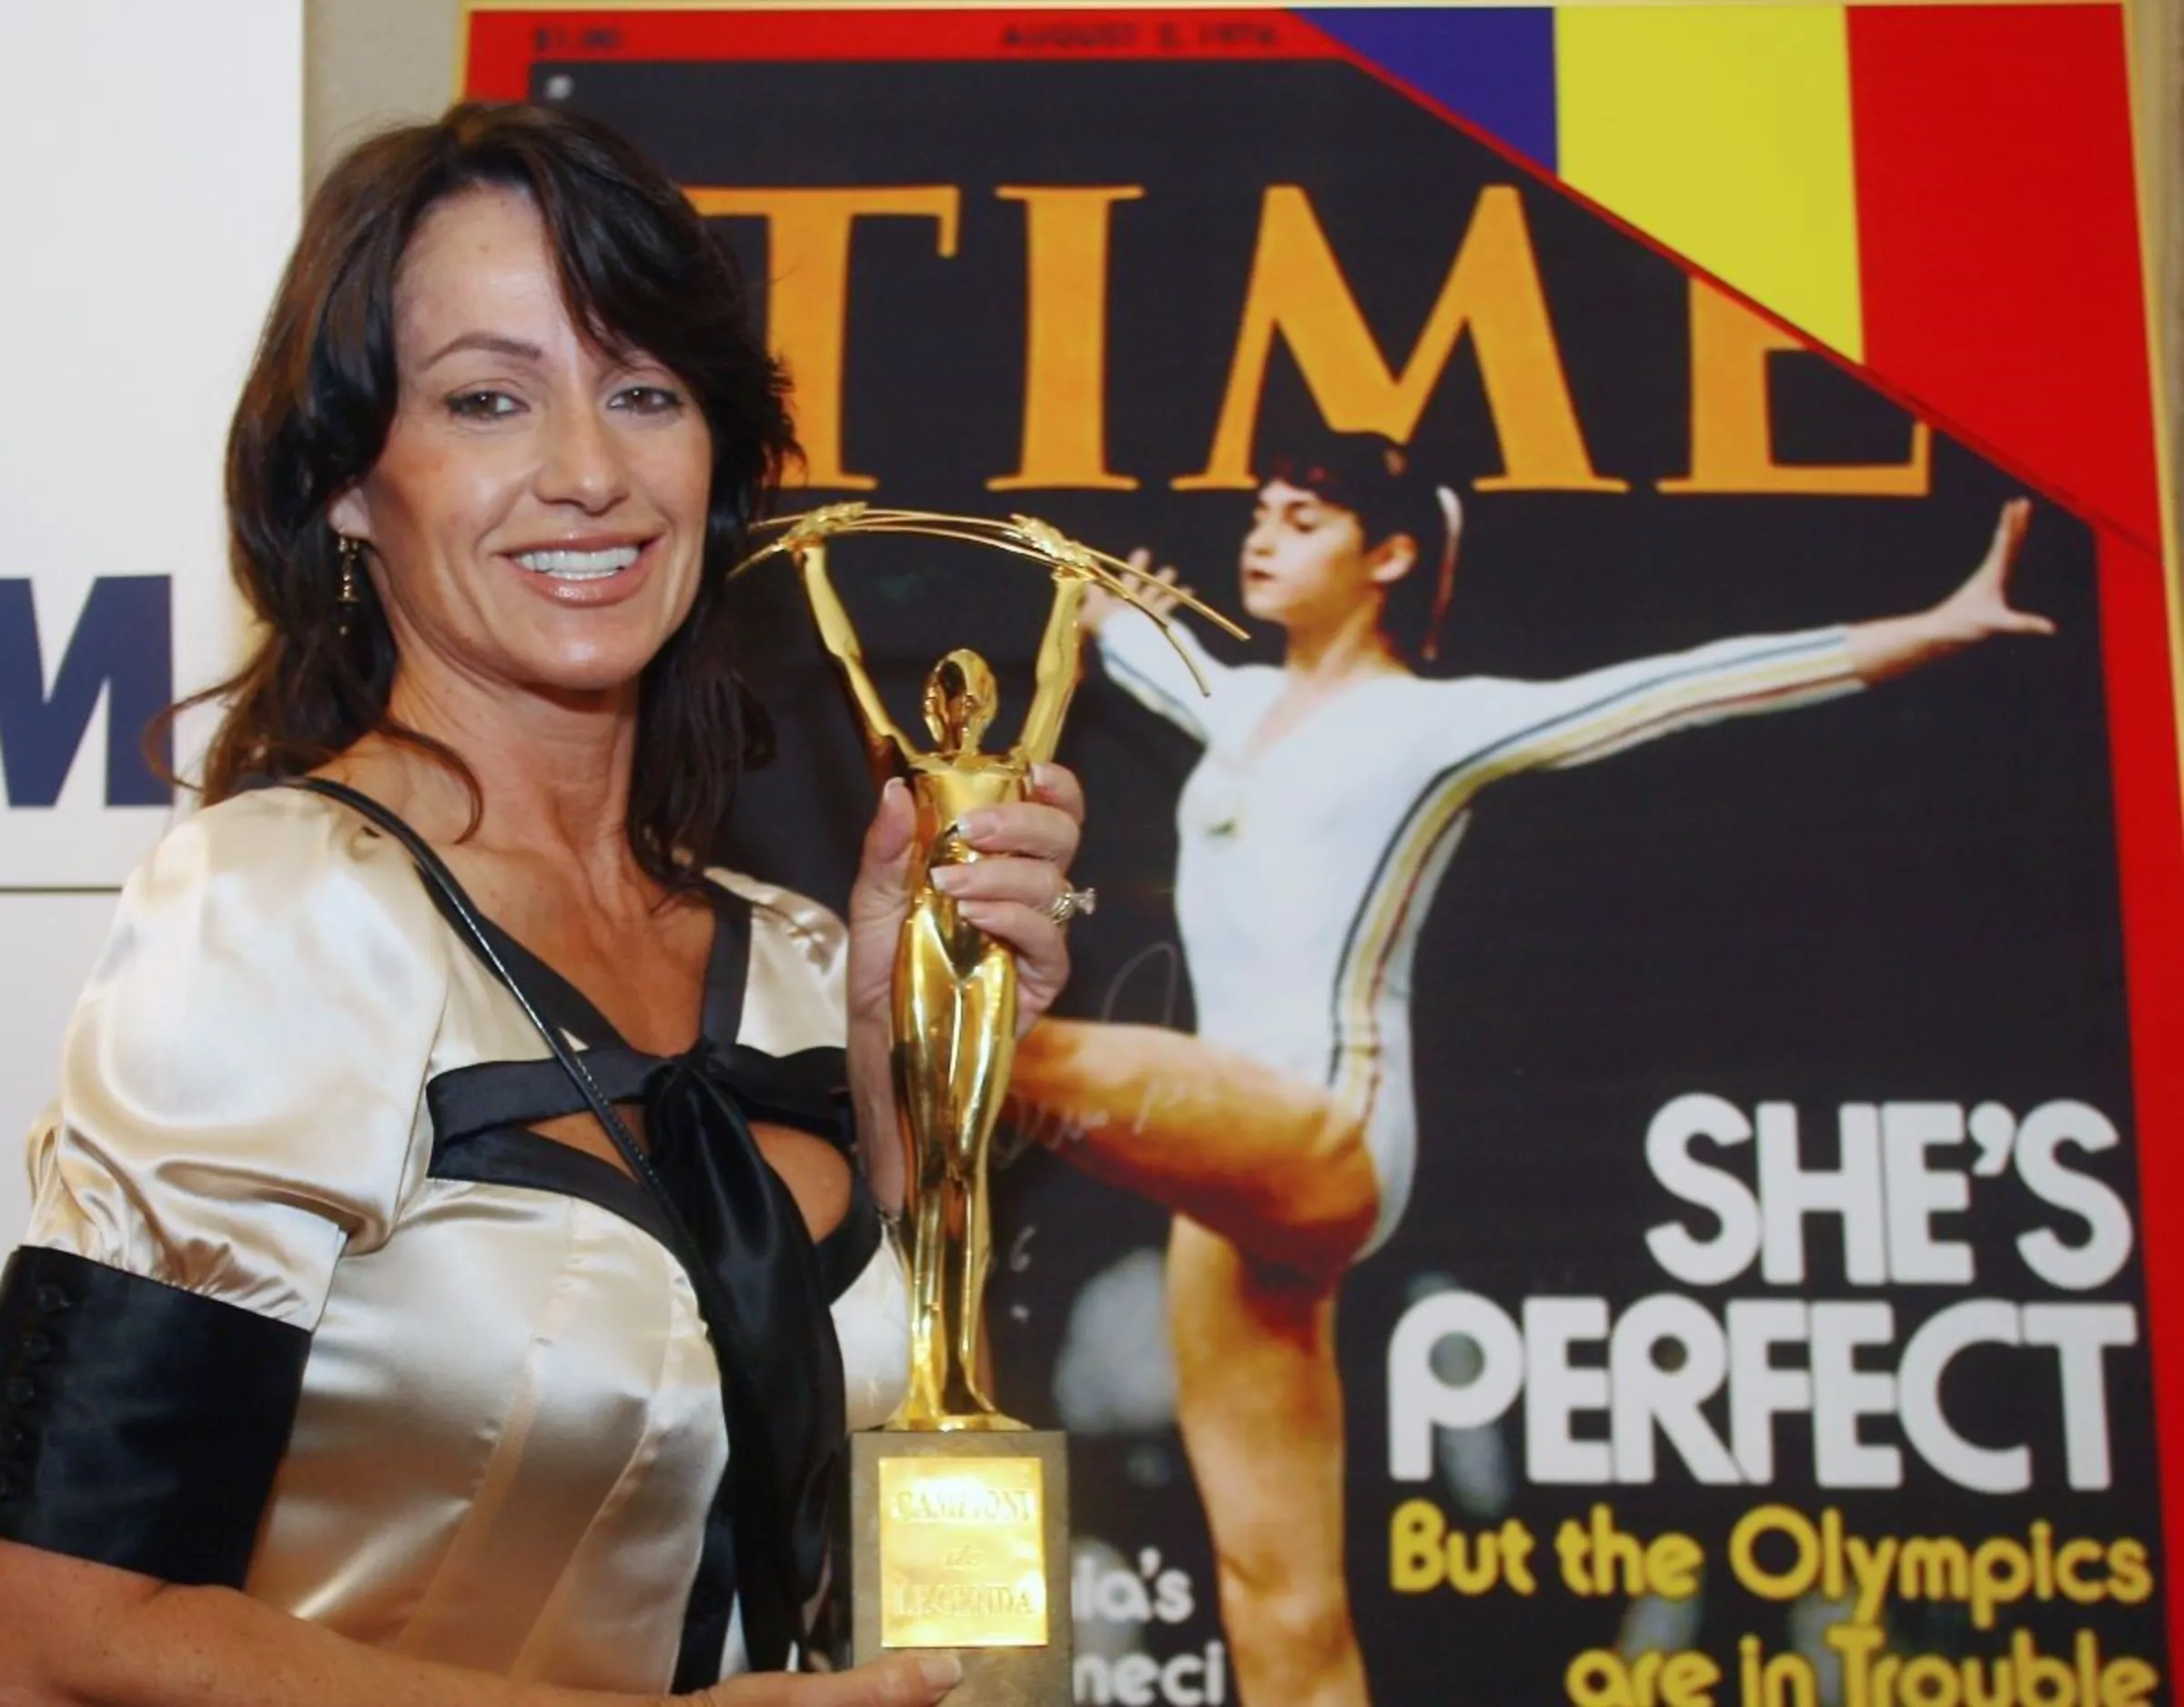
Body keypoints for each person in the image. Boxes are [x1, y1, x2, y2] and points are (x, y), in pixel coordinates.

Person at [0, 103, 1087, 1706]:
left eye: (644, 392)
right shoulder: (282, 909)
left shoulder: (791, 959)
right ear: (352, 487)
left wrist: (904, 1057)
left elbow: (856, 1507)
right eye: (488, 399)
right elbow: (62, 1630)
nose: (588, 472)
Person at [1004, 430, 2050, 1706]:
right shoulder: (1229, 707)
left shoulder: (1436, 726)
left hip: (1324, 1140)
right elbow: (1128, 640)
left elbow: (1686, 687)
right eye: (1261, 512)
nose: (1263, 536)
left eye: (1304, 520)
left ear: (1387, 556)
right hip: (1231, 1199)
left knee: (1000, 1047)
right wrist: (1103, 606)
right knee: (1277, 1607)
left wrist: (1936, 626)